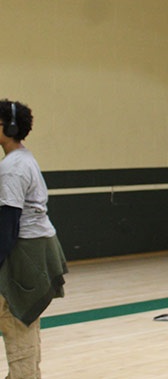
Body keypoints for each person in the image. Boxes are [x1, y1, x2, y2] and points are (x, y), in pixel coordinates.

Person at [0, 100, 67, 378]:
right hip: (37, 249)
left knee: (16, 317)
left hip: (26, 253)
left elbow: (8, 227)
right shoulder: (22, 159)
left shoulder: (12, 168)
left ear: (8, 127)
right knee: (22, 319)